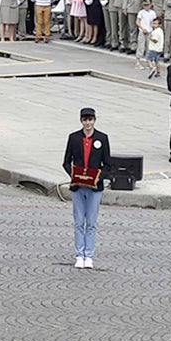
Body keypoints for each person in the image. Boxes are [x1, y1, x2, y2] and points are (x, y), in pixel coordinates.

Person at [63, 107, 109, 268]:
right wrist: (74, 176)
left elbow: (108, 164)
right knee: (78, 221)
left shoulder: (102, 138)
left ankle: (88, 255)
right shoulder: (74, 138)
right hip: (78, 186)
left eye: (90, 120)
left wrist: (97, 178)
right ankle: (79, 254)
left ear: (94, 120)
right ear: (81, 121)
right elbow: (66, 161)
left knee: (91, 221)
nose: (88, 123)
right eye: (85, 120)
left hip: (95, 187)